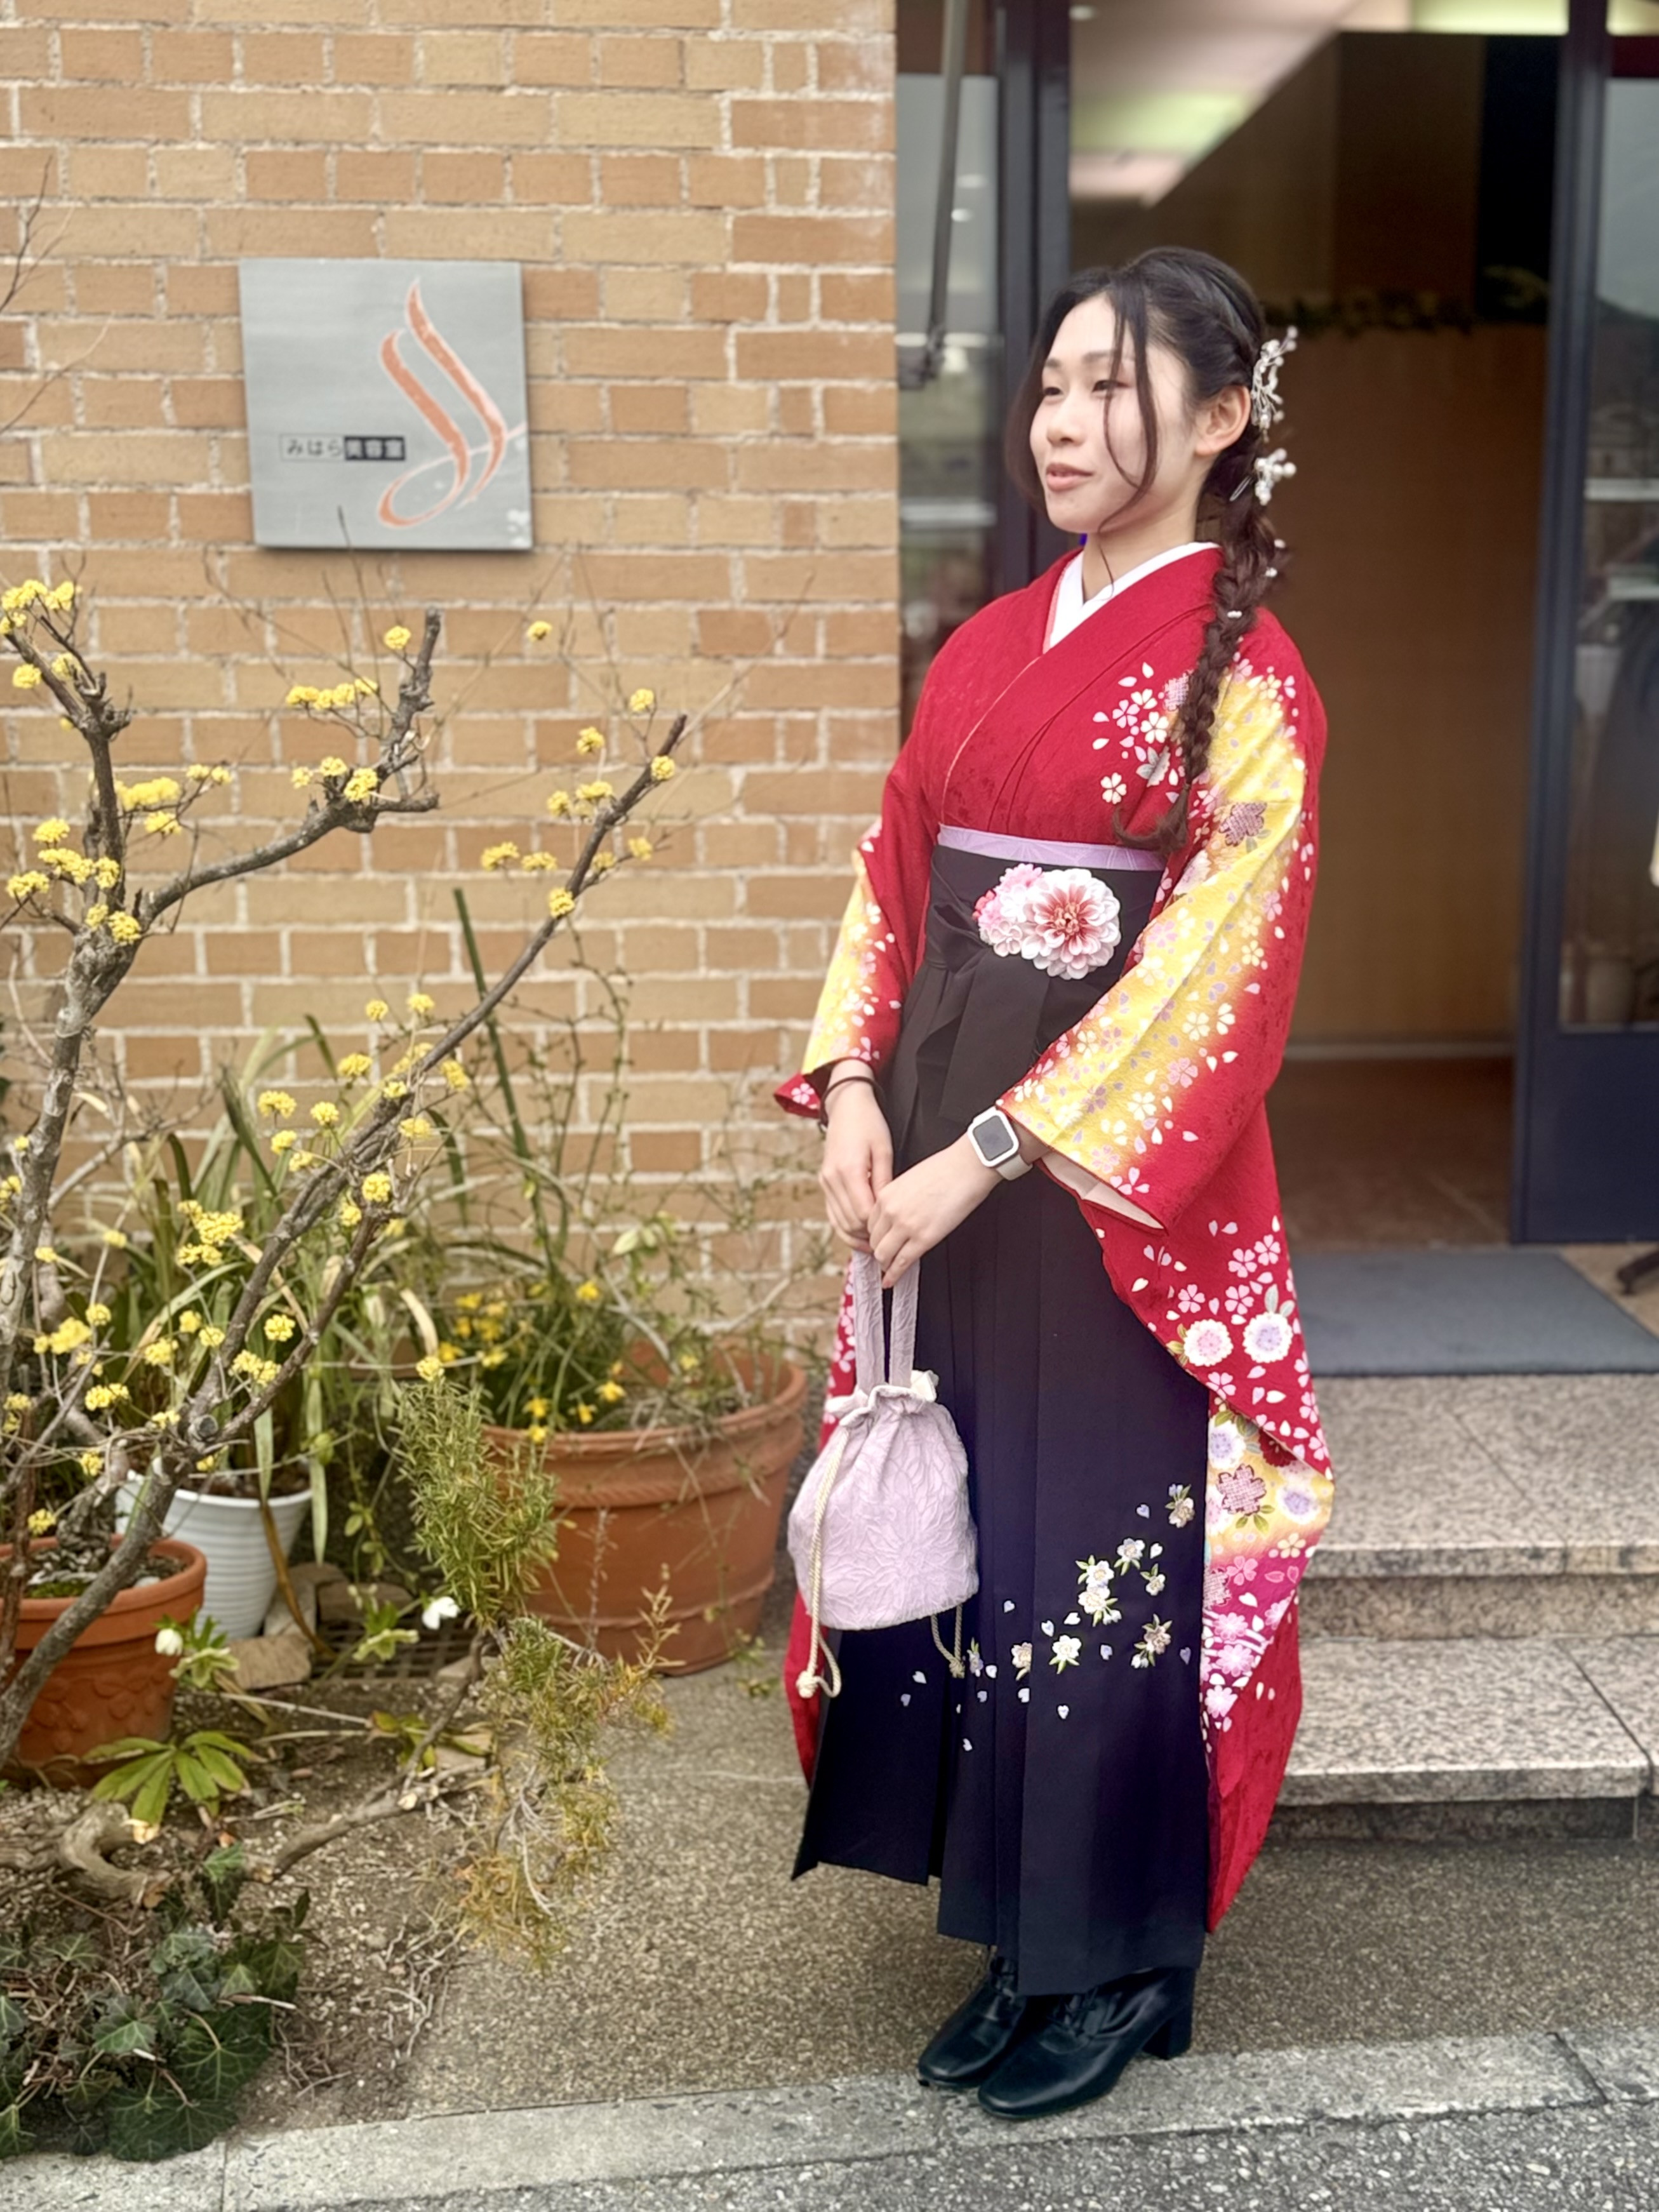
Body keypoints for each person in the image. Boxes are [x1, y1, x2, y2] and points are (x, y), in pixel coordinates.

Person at [773, 248, 1335, 2123]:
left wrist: (990, 1152)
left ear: (1223, 418)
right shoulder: (986, 643)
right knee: (985, 1546)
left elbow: (1209, 987)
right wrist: (858, 1088)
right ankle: (1021, 1931)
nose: (1063, 424)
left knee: (1104, 1551)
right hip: (934, 1162)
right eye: (1050, 387)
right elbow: (893, 874)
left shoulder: (1251, 684)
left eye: (1112, 387)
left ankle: (1124, 1951)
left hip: (1108, 1200)